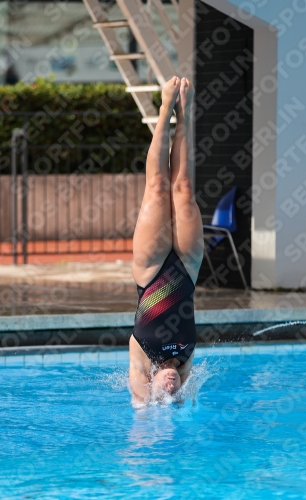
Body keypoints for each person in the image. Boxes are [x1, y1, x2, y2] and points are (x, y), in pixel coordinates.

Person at [129, 76, 204, 405]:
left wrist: (148, 409)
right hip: (187, 268)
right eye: (176, 391)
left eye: (165, 390)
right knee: (184, 188)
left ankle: (164, 110)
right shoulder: (186, 362)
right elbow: (185, 404)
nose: (171, 385)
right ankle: (184, 112)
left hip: (150, 272)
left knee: (158, 186)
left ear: (152, 384)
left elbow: (140, 410)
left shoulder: (142, 359)